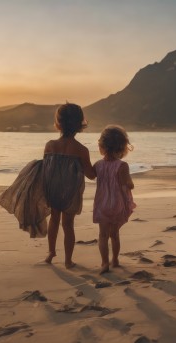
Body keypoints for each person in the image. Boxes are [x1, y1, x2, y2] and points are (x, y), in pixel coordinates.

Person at [42, 103, 95, 268]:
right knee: (68, 225)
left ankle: (51, 253)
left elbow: (46, 169)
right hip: (70, 192)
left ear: (58, 123)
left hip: (53, 189)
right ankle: (68, 260)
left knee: (53, 221)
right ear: (80, 124)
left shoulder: (50, 145)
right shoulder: (81, 150)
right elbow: (91, 175)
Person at [93, 125, 136, 274]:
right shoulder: (122, 166)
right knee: (114, 234)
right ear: (123, 147)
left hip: (101, 204)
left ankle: (104, 263)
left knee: (103, 235)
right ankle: (115, 260)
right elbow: (129, 184)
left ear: (102, 146)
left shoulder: (98, 165)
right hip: (117, 204)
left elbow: (90, 175)